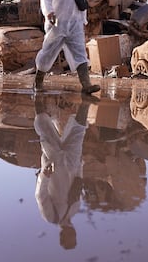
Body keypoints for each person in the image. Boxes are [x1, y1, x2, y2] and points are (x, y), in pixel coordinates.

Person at [33, 0, 100, 94]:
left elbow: (82, 1)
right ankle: (38, 80)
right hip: (57, 23)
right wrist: (48, 12)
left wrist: (84, 21)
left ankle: (86, 85)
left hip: (75, 24)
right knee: (48, 53)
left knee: (80, 53)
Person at [34, 93, 93, 250]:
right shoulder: (74, 211)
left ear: (63, 236)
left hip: (54, 164)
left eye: (69, 237)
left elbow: (41, 196)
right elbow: (78, 183)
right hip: (73, 162)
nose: (73, 234)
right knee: (79, 130)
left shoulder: (51, 217)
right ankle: (87, 99)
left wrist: (44, 177)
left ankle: (38, 92)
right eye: (74, 237)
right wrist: (80, 165)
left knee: (43, 127)